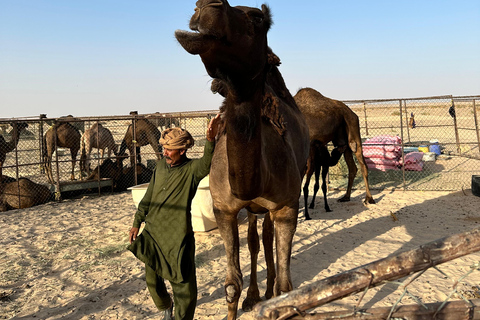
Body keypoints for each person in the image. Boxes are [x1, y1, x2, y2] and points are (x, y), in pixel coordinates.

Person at [128, 114, 221, 320]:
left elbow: (207, 162)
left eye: (169, 149)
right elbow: (148, 196)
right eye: (163, 148)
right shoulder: (160, 166)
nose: (165, 153)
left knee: (184, 288)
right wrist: (137, 222)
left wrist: (210, 140)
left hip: (178, 237)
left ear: (182, 150)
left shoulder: (192, 170)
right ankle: (166, 306)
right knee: (152, 280)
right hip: (153, 233)